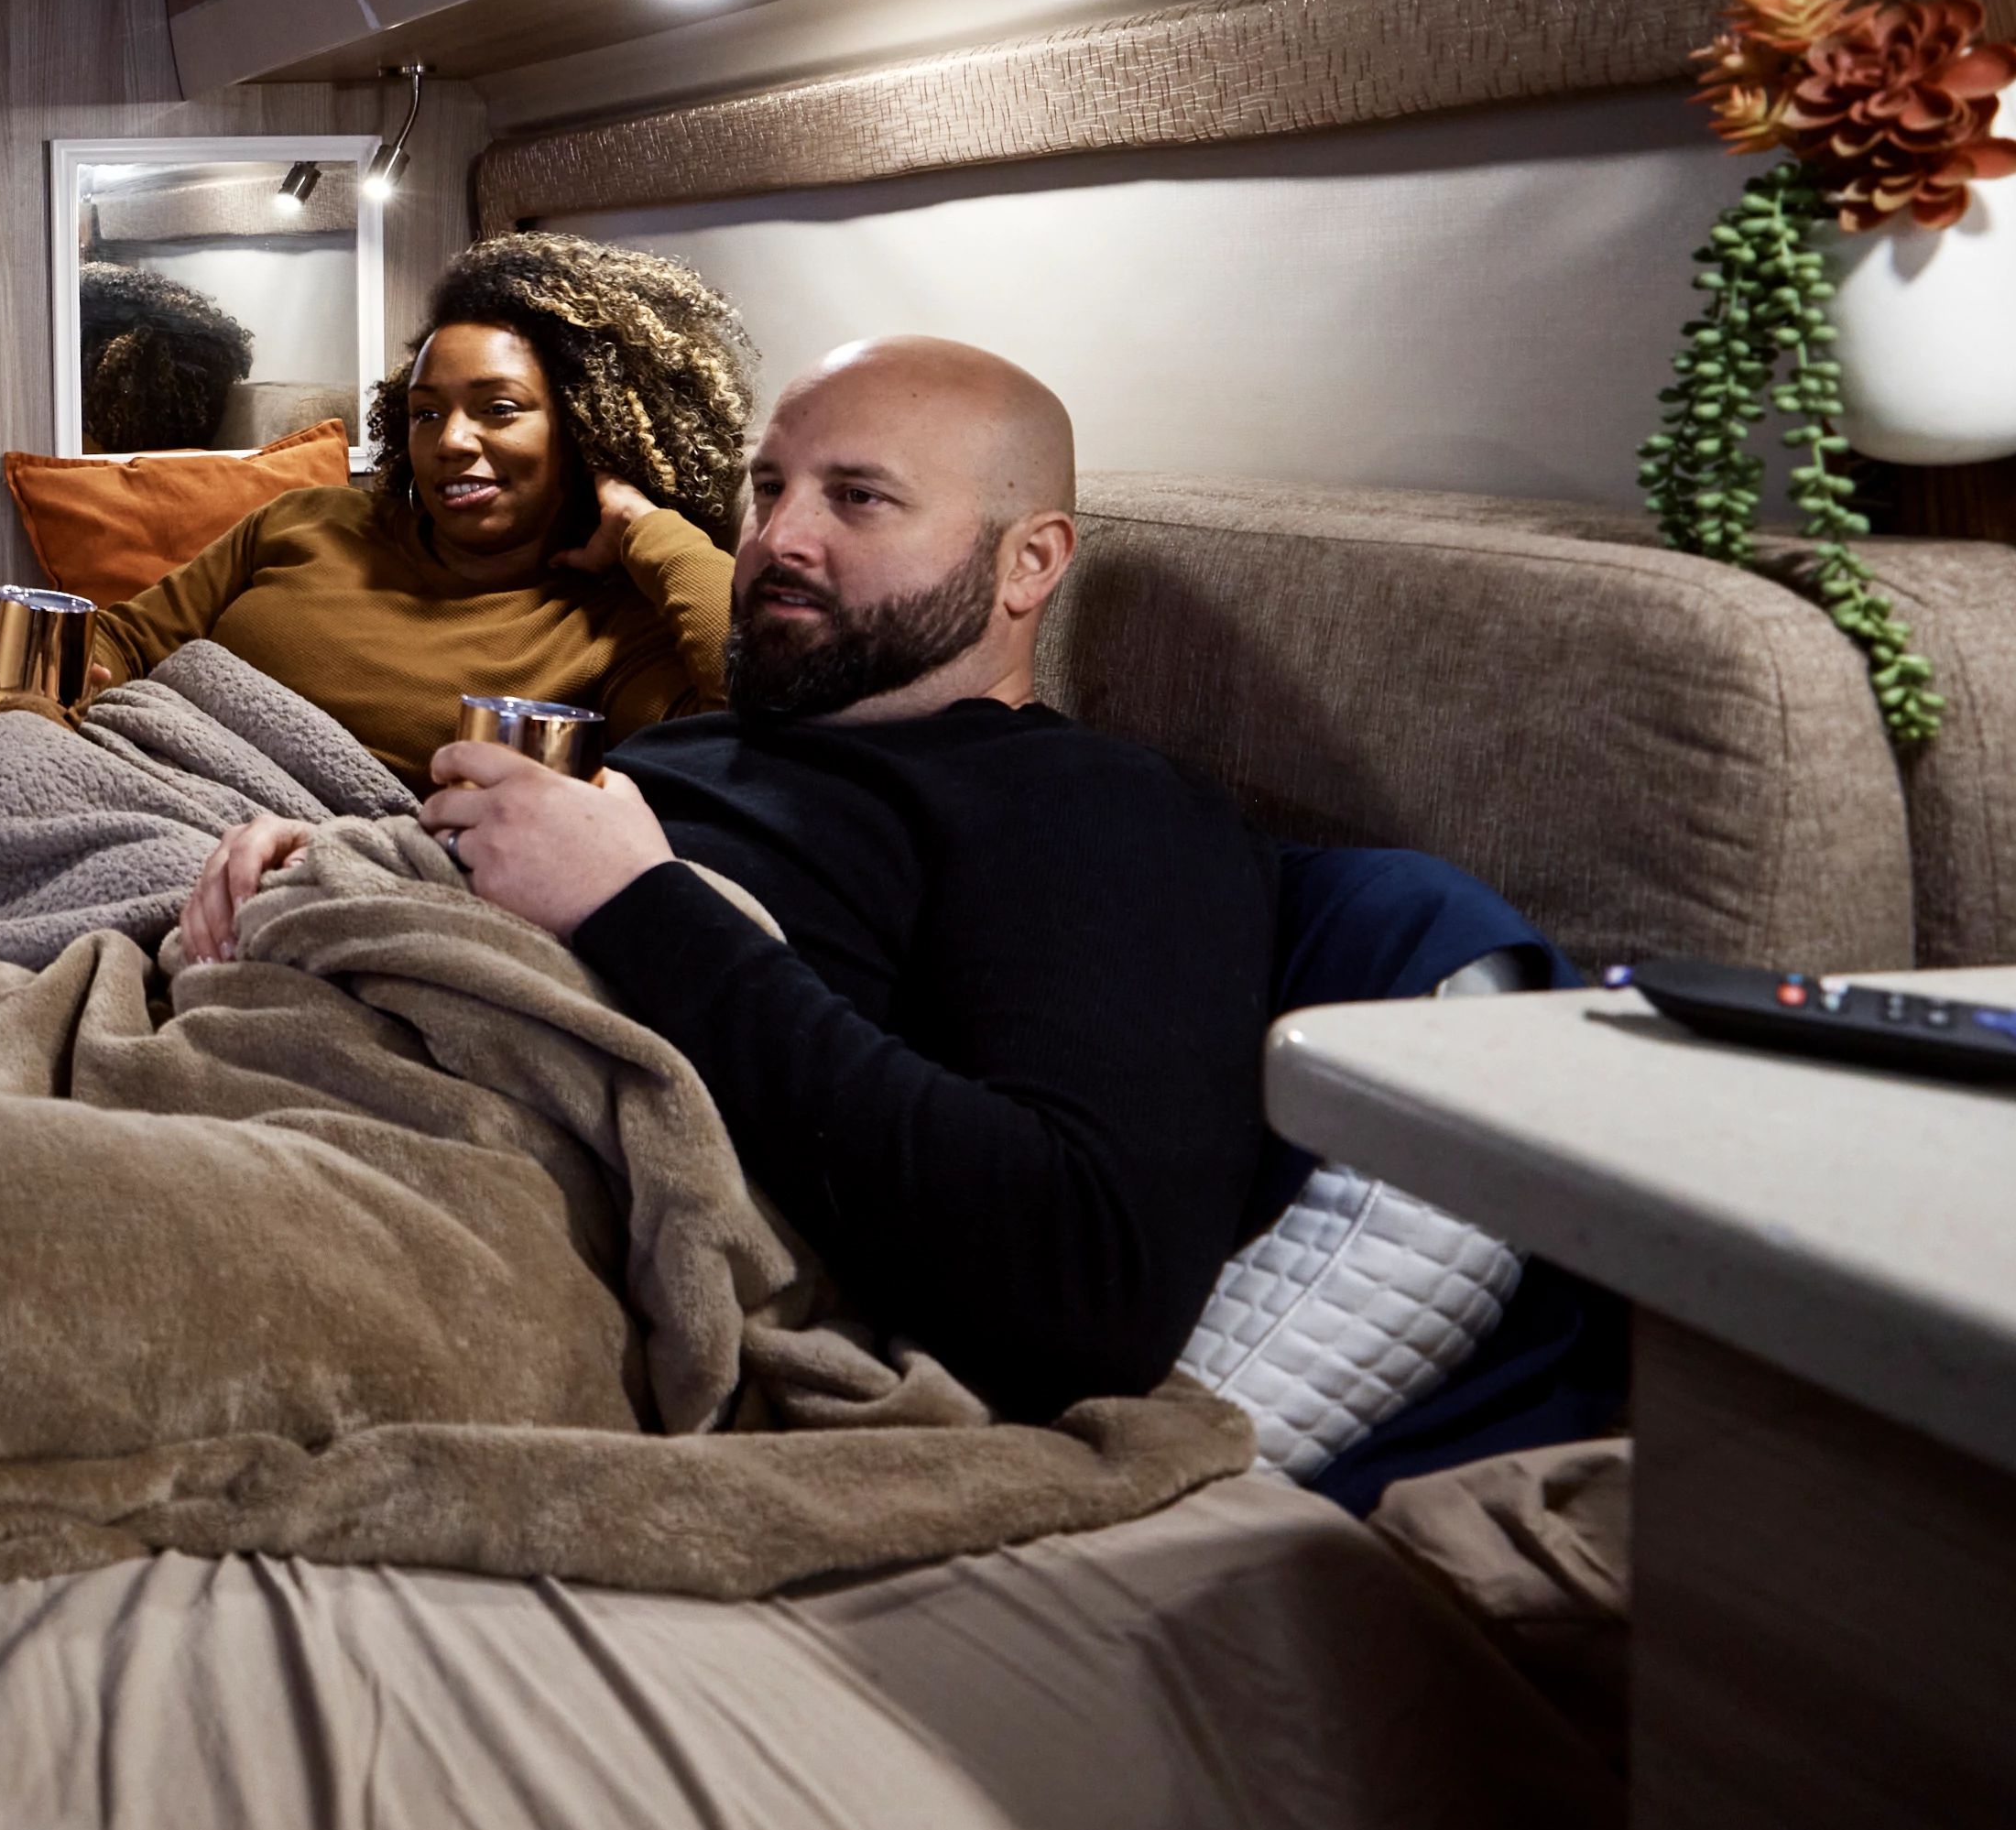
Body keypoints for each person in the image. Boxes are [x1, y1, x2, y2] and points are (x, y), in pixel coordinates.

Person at [177, 334, 1275, 1422]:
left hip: (456, 1191)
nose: (773, 537)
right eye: (765, 487)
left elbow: (1093, 1283)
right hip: (253, 1041)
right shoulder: (691, 746)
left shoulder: (1093, 804)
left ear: (1027, 561)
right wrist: (313, 859)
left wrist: (637, 904)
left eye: (856, 498)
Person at [0, 234, 754, 785]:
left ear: (588, 431)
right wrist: (40, 685)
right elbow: (129, 639)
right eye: (424, 413)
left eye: (500, 408)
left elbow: (750, 715)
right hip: (131, 772)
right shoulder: (310, 522)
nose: (451, 440)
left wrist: (650, 529)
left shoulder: (610, 631)